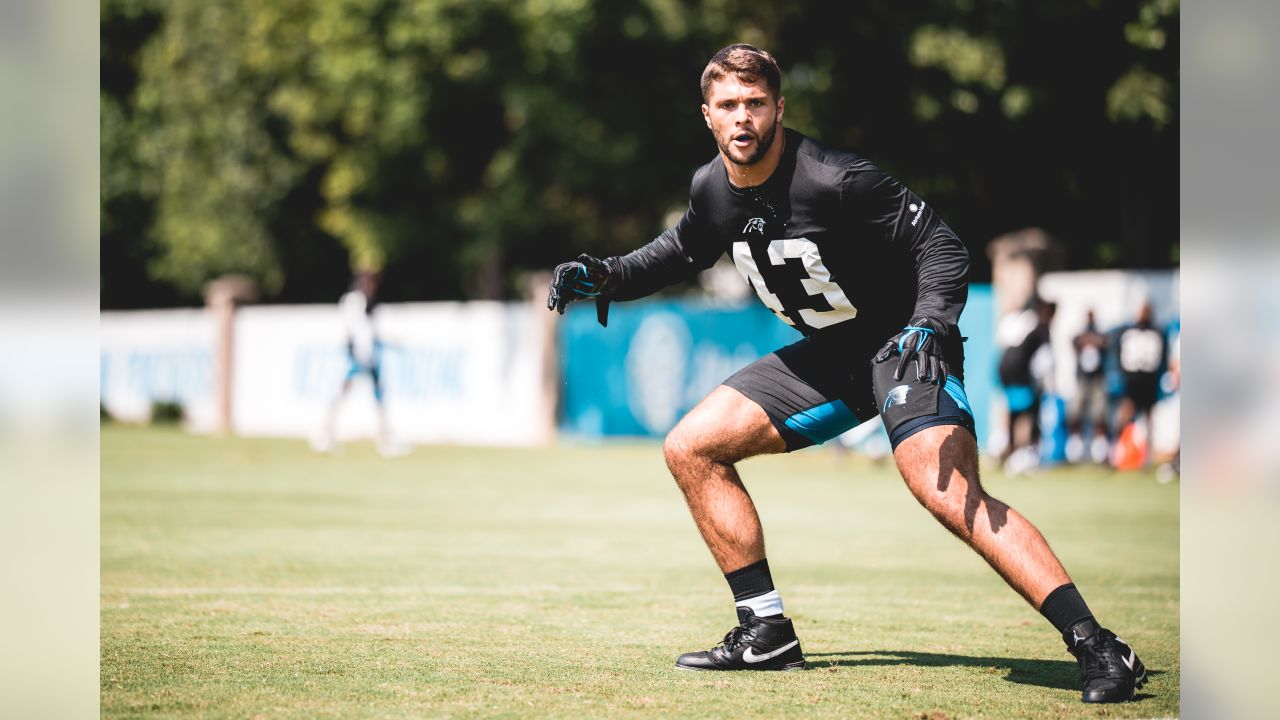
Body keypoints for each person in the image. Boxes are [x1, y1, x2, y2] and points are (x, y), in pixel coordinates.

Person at [546, 44, 1145, 703]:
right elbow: (679, 250)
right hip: (832, 357)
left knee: (946, 491)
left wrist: (932, 323)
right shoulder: (712, 188)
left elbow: (940, 246)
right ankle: (765, 629)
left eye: (754, 103)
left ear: (779, 107)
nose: (741, 118)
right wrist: (607, 274)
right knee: (691, 447)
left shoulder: (836, 177)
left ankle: (1096, 643)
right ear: (707, 115)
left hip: (905, 343)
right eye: (727, 106)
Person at [312, 270, 403, 457]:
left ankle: (385, 438)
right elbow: (355, 331)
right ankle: (324, 433)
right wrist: (360, 354)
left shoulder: (366, 304)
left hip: (366, 357)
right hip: (357, 357)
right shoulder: (355, 302)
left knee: (377, 398)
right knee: (344, 394)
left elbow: (369, 332)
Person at [1067, 309, 1111, 463]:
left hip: (1097, 380)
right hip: (1082, 380)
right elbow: (1075, 341)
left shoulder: (1100, 334)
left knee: (1099, 414)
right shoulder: (1080, 335)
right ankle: (1075, 450)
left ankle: (1099, 452)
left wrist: (1093, 340)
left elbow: (1105, 342)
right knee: (1076, 412)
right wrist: (1089, 340)